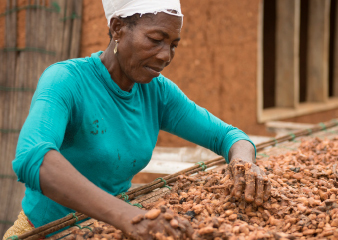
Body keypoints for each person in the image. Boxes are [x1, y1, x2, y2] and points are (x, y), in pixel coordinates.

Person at [3, 0, 271, 239]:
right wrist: (129, 216)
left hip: (108, 231)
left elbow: (228, 136)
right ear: (118, 28)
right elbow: (32, 157)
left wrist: (244, 166)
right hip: (47, 232)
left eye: (173, 45)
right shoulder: (67, 81)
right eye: (156, 39)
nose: (166, 55)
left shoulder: (157, 92)